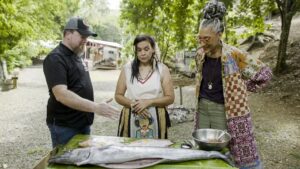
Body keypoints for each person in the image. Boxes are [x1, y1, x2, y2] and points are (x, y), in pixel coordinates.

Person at [194, 1, 272, 169]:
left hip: (223, 110)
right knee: (203, 149)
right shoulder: (199, 54)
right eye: (200, 38)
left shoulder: (234, 55)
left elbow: (265, 73)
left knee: (223, 151)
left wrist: (243, 88)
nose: (202, 43)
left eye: (206, 38)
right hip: (202, 108)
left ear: (219, 34)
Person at [43, 17, 119, 148]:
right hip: (65, 126)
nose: (85, 40)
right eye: (82, 36)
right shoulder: (56, 58)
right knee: (66, 164)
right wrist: (95, 107)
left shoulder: (76, 55)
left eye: (87, 36)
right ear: (68, 34)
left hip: (82, 123)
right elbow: (61, 95)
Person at [115, 35, 174, 139]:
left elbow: (170, 98)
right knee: (132, 150)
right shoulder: (127, 69)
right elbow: (118, 96)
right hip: (132, 116)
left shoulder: (162, 69)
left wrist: (148, 102)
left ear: (153, 49)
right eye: (139, 50)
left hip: (156, 117)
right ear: (136, 52)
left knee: (154, 151)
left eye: (146, 49)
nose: (143, 53)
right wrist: (134, 105)